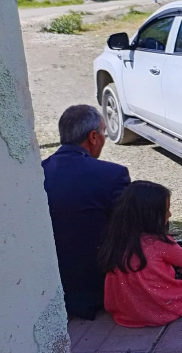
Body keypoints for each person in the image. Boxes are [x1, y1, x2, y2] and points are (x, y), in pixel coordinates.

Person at [42, 104, 130, 320]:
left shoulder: (39, 171)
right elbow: (129, 229)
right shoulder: (113, 175)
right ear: (93, 137)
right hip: (98, 288)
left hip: (48, 285)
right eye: (103, 134)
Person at [98, 181, 182, 327]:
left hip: (126, 314)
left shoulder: (116, 240)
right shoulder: (158, 242)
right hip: (161, 309)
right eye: (166, 210)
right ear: (150, 215)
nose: (170, 214)